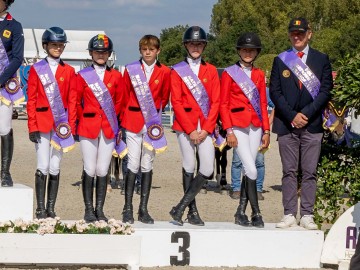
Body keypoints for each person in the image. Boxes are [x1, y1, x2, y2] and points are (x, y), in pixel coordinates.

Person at [270, 17, 332, 230]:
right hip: (287, 125)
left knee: (309, 172)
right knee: (288, 171)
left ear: (309, 34)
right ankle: (288, 213)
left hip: (312, 124)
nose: (297, 36)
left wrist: (305, 114)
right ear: (289, 35)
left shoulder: (322, 59)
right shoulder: (280, 60)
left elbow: (325, 91)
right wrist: (292, 116)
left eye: (301, 33)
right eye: (293, 33)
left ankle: (307, 214)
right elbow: (275, 92)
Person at [169, 26, 220, 226]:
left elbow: (215, 101)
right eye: (192, 43)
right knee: (189, 165)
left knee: (207, 168)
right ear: (186, 45)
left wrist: (206, 129)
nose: (196, 47)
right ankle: (192, 211)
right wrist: (190, 129)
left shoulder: (211, 70)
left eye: (199, 44)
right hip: (185, 126)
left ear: (204, 46)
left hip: (205, 125)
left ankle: (180, 206)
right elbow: (177, 102)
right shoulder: (177, 70)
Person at [71, 34, 125, 223]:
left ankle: (99, 209)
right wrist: (78, 122)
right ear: (91, 53)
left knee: (103, 169)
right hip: (88, 126)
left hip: (108, 127)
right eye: (97, 51)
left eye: (104, 52)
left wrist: (111, 119)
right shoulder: (82, 76)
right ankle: (88, 210)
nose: (101, 55)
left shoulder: (116, 76)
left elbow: (120, 102)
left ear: (109, 54)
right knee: (90, 167)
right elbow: (76, 102)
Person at [220, 32, 270, 228]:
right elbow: (223, 104)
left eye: (252, 50)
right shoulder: (229, 73)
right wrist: (229, 130)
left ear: (256, 52)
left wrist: (266, 130)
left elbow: (263, 103)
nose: (248, 53)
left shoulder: (259, 74)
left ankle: (241, 212)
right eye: (245, 49)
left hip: (256, 124)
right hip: (238, 125)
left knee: (250, 169)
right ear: (239, 51)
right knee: (250, 169)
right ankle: (256, 212)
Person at [27, 27, 76, 219]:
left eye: (61, 45)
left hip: (61, 126)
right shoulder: (36, 69)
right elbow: (31, 99)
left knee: (55, 166)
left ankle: (50, 207)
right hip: (41, 122)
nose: (58, 48)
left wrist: (70, 126)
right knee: (43, 165)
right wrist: (32, 126)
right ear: (46, 46)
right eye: (54, 45)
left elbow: (72, 101)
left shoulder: (69, 71)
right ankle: (40, 208)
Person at [121, 34, 170, 224]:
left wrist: (154, 116)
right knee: (133, 163)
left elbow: (164, 96)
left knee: (147, 164)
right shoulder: (131, 69)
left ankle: (143, 209)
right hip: (133, 121)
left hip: (152, 124)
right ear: (140, 51)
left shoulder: (165, 71)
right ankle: (127, 208)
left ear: (158, 51)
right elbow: (125, 94)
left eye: (151, 49)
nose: (148, 52)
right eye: (144, 49)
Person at [229, 87, 275, 200]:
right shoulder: (237, 87)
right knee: (237, 160)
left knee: (259, 161)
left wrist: (267, 125)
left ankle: (257, 189)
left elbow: (274, 105)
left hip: (257, 128)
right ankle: (236, 188)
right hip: (240, 127)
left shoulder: (264, 90)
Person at [0, 0, 24, 187]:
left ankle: (5, 172)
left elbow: (17, 57)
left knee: (3, 127)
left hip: (4, 83)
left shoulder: (14, 26)